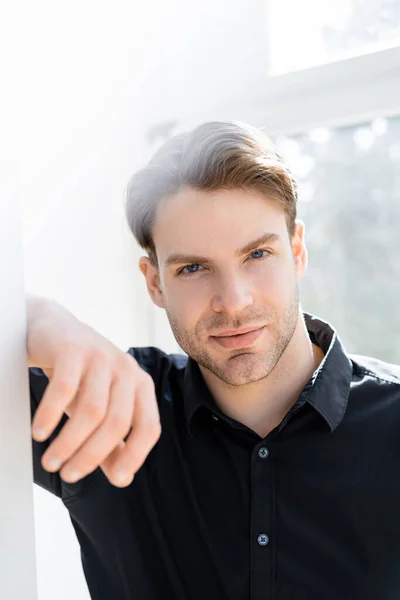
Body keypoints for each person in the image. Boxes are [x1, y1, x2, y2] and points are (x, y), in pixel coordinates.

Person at [27, 121, 400, 600]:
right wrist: (37, 320)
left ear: (298, 251)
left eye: (258, 254)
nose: (233, 300)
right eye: (194, 268)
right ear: (155, 282)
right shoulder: (104, 410)